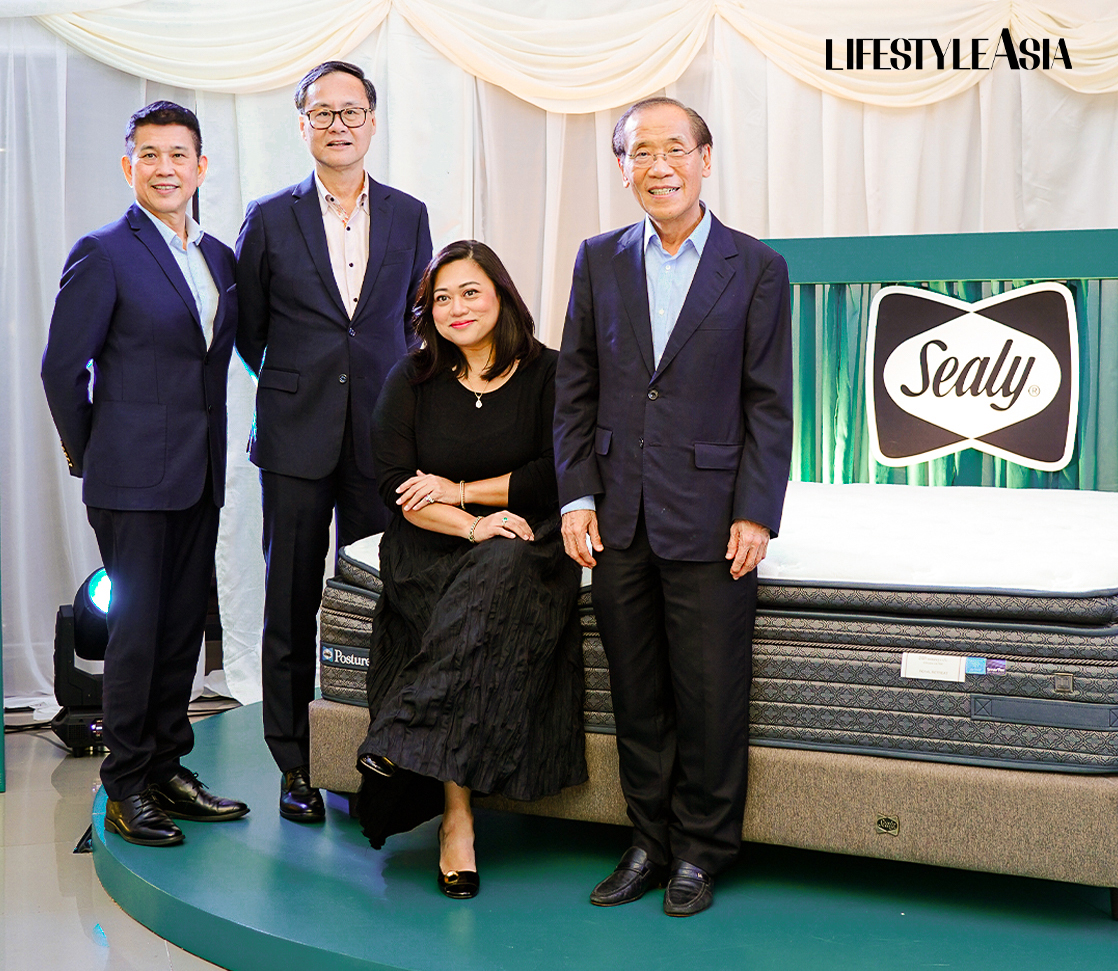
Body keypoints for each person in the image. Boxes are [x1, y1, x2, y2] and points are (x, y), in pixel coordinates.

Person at [553, 97, 793, 916]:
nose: (659, 166)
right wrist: (576, 494)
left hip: (713, 513)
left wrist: (756, 509)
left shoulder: (756, 266)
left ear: (705, 158)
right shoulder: (598, 259)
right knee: (637, 691)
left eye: (674, 149)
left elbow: (769, 402)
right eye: (641, 152)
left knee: (711, 693)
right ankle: (647, 841)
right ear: (623, 168)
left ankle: (700, 849)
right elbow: (576, 387)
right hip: (618, 514)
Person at [41, 101, 248, 846]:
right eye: (150, 155)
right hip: (130, 479)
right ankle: (124, 784)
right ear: (130, 166)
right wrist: (92, 453)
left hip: (199, 472)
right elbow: (61, 369)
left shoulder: (219, 257)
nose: (166, 168)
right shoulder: (103, 252)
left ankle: (165, 766)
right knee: (135, 633)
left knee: (182, 627)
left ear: (200, 166)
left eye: (178, 154)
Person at [354, 240, 587, 899]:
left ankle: (406, 744)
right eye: (442, 298)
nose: (455, 308)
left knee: (497, 571)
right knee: (462, 596)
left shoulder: (549, 372)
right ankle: (455, 818)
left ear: (502, 297)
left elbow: (553, 475)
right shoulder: (412, 378)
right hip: (431, 540)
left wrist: (460, 491)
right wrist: (469, 523)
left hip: (524, 538)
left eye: (470, 292)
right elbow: (397, 485)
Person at [235, 61, 433, 822]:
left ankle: (374, 752)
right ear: (303, 125)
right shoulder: (268, 217)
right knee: (289, 599)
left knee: (381, 596)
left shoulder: (409, 214)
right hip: (294, 435)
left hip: (381, 435)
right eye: (323, 113)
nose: (338, 125)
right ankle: (294, 761)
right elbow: (251, 330)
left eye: (352, 111)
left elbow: (416, 321)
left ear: (372, 122)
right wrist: (295, 384)